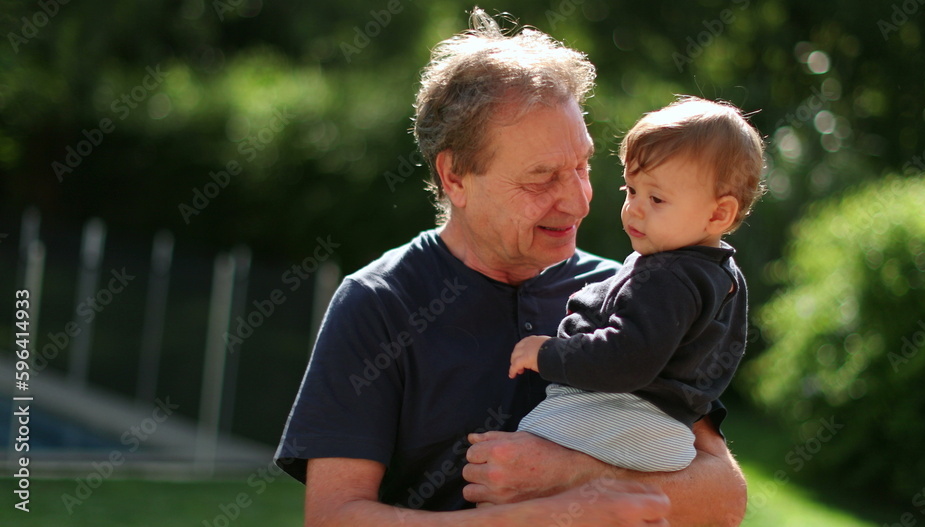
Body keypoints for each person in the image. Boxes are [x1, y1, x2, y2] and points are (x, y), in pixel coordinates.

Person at [275, 9, 747, 526]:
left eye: (584, 166)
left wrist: (571, 476)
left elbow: (724, 499)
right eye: (542, 178)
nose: (579, 201)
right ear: (455, 176)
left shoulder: (628, 287)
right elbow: (333, 518)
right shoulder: (377, 304)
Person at [509, 96, 766, 474]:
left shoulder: (668, 276)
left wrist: (547, 353)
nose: (635, 208)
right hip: (666, 433)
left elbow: (626, 358)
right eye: (631, 190)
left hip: (615, 416)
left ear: (718, 213)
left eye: (657, 198)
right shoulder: (723, 275)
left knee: (509, 476)